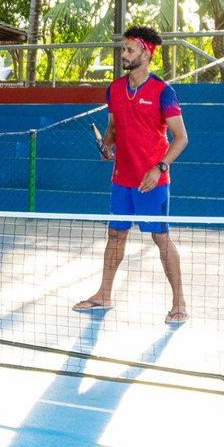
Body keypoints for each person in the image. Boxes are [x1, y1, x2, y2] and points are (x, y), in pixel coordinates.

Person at [74, 25, 189, 324]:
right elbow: (113, 129)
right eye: (123, 49)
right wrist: (107, 146)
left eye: (129, 50)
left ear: (146, 54)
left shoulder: (163, 92)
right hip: (121, 179)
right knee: (115, 235)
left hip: (152, 181)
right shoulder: (114, 89)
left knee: (160, 238)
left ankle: (179, 303)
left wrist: (159, 168)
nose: (123, 54)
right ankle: (104, 294)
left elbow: (181, 138)